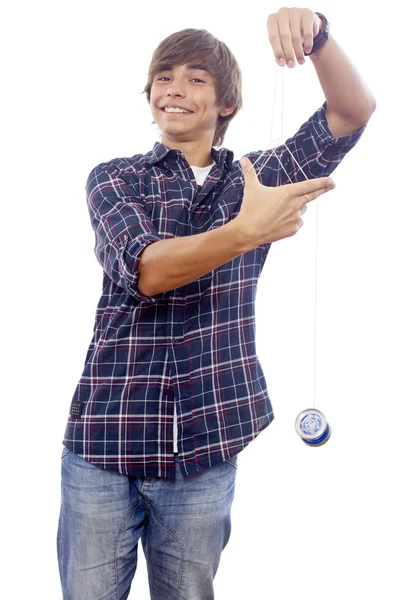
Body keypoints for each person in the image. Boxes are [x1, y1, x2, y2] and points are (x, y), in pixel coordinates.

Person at [57, 8, 376, 600]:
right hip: (105, 443)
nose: (175, 88)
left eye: (196, 77)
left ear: (226, 103)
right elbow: (147, 270)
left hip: (208, 445)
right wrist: (246, 232)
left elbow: (352, 113)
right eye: (164, 76)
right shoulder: (113, 178)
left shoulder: (258, 178)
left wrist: (319, 36)